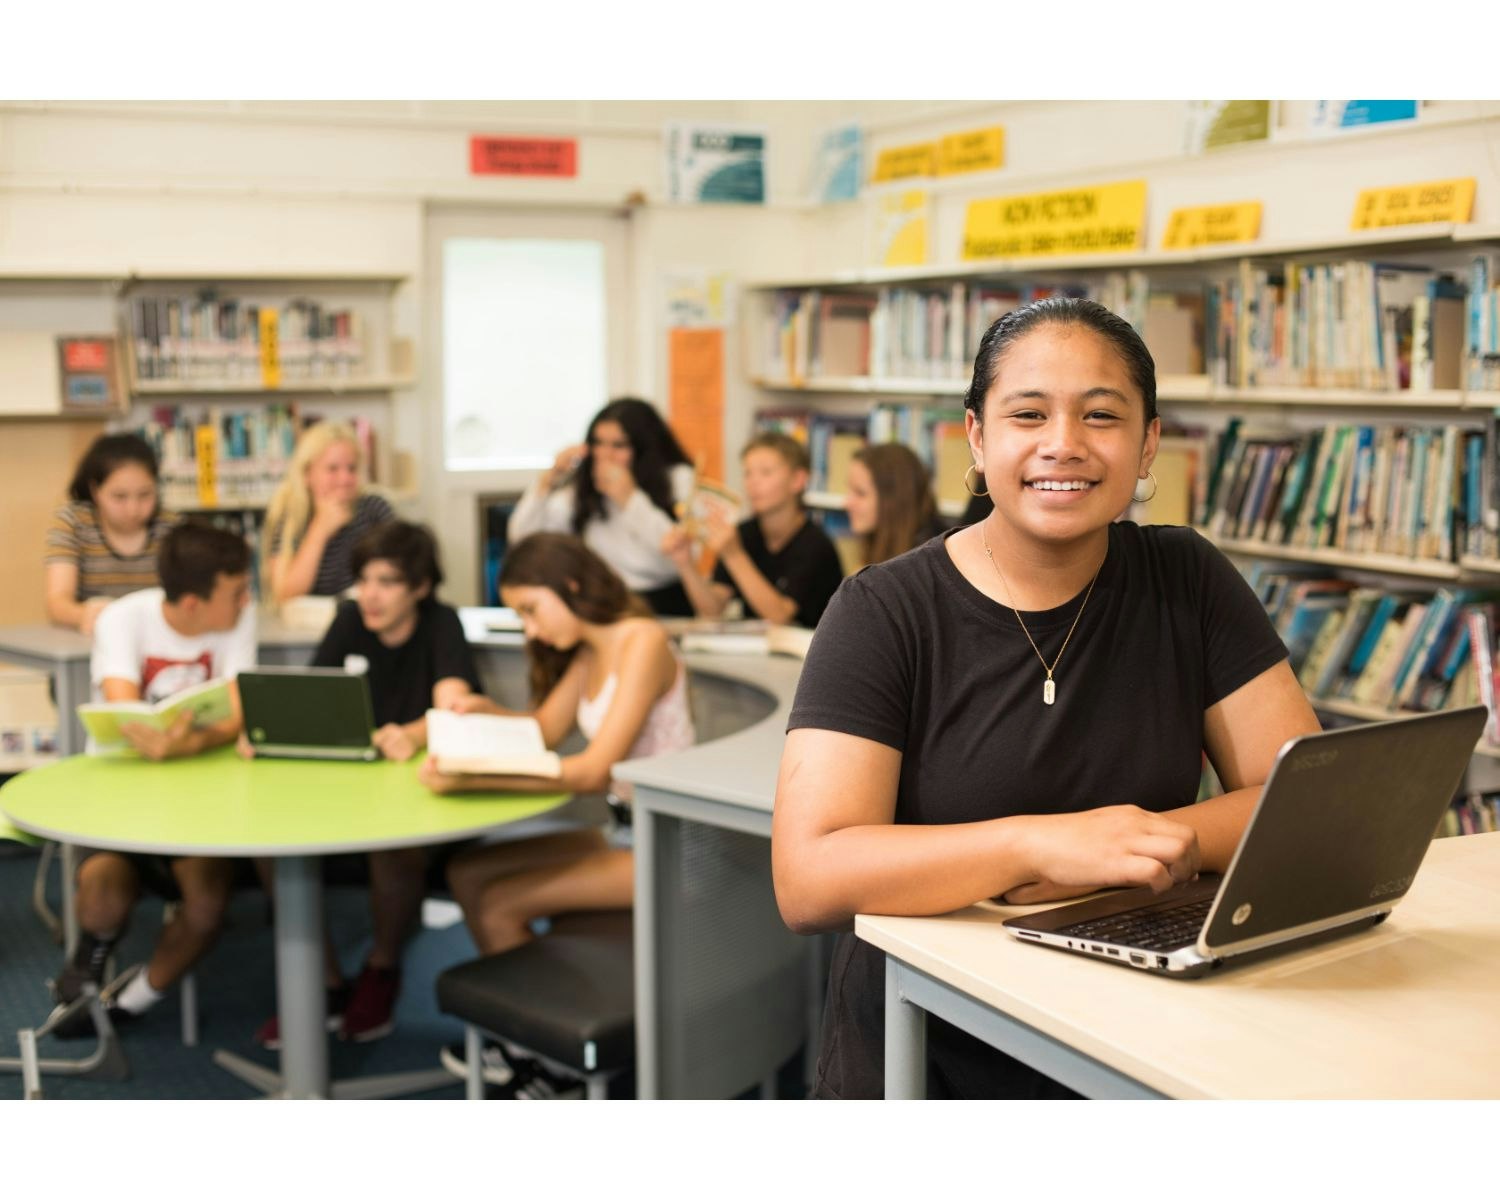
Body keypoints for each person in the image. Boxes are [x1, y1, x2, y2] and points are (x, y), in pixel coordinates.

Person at [771, 297, 1320, 1099]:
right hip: (927, 1052)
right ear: (978, 437)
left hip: (1135, 1033)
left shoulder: (1188, 579)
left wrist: (1137, 846)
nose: (1063, 444)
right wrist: (1037, 848)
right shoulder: (881, 609)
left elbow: (1300, 800)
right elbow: (809, 875)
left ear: (1147, 444)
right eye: (1028, 413)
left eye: (1102, 415)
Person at [418, 531, 694, 1095]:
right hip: (621, 832)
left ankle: (551, 1062)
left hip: (667, 847)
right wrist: (481, 713)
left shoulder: (643, 641)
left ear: (569, 585)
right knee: (466, 873)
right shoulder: (592, 652)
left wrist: (473, 772)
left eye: (530, 610)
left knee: (499, 903)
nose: (531, 629)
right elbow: (543, 730)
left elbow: (592, 770)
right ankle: (524, 1038)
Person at [251, 520, 482, 1047]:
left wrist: (415, 731)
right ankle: (325, 984)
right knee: (269, 842)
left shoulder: (442, 624)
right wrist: (274, 729)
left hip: (411, 796)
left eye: (388, 581)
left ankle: (382, 968)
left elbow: (455, 704)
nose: (370, 595)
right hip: (344, 788)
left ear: (420, 587)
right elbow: (313, 696)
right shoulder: (349, 618)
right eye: (364, 580)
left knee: (392, 849)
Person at [51, 522, 257, 1036]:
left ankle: (133, 1000)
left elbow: (237, 711)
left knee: (207, 906)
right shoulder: (123, 620)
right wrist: (178, 738)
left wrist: (183, 744)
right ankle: (91, 958)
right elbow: (126, 712)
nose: (246, 600)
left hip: (203, 802)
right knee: (103, 895)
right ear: (193, 603)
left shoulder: (238, 617)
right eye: (235, 591)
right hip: (123, 798)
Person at [508, 397, 696, 616]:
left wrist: (630, 500)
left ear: (643, 448)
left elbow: (676, 556)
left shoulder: (678, 479)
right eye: (598, 443)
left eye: (619, 445)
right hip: (605, 603)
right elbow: (522, 537)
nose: (605, 454)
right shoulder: (583, 489)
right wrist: (548, 481)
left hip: (666, 603)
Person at [664, 431, 845, 628]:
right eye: (747, 473)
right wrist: (685, 564)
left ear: (798, 480)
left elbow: (781, 616)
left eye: (766, 472)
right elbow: (712, 610)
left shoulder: (816, 545)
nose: (752, 482)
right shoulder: (743, 534)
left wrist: (733, 555)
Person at [45, 433, 179, 636]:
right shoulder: (74, 522)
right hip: (92, 639)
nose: (133, 509)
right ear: (95, 490)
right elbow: (57, 602)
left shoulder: (171, 526)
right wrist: (83, 614)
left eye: (145, 495)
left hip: (155, 641)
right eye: (119, 497)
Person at [262, 421, 394, 605]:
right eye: (332, 469)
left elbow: (397, 580)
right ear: (307, 474)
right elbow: (285, 594)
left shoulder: (374, 509)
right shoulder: (291, 516)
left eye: (352, 468)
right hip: (309, 628)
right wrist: (320, 530)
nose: (345, 479)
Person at [843, 442, 946, 567]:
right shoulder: (882, 543)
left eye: (860, 493)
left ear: (893, 499)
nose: (847, 503)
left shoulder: (931, 560)